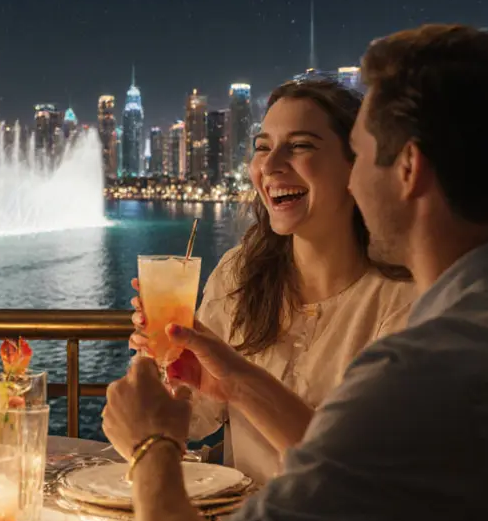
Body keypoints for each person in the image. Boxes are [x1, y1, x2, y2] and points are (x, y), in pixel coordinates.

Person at [104, 24, 488, 521]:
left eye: (362, 149)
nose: (355, 177)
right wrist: (235, 381)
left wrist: (153, 448)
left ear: (408, 168)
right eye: (263, 146)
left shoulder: (424, 366)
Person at [128, 79, 416, 484]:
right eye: (263, 147)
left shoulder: (405, 300)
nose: (271, 165)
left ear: (357, 167)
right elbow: (192, 421)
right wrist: (164, 364)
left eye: (299, 146)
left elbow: (364, 476)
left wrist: (240, 382)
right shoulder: (239, 273)